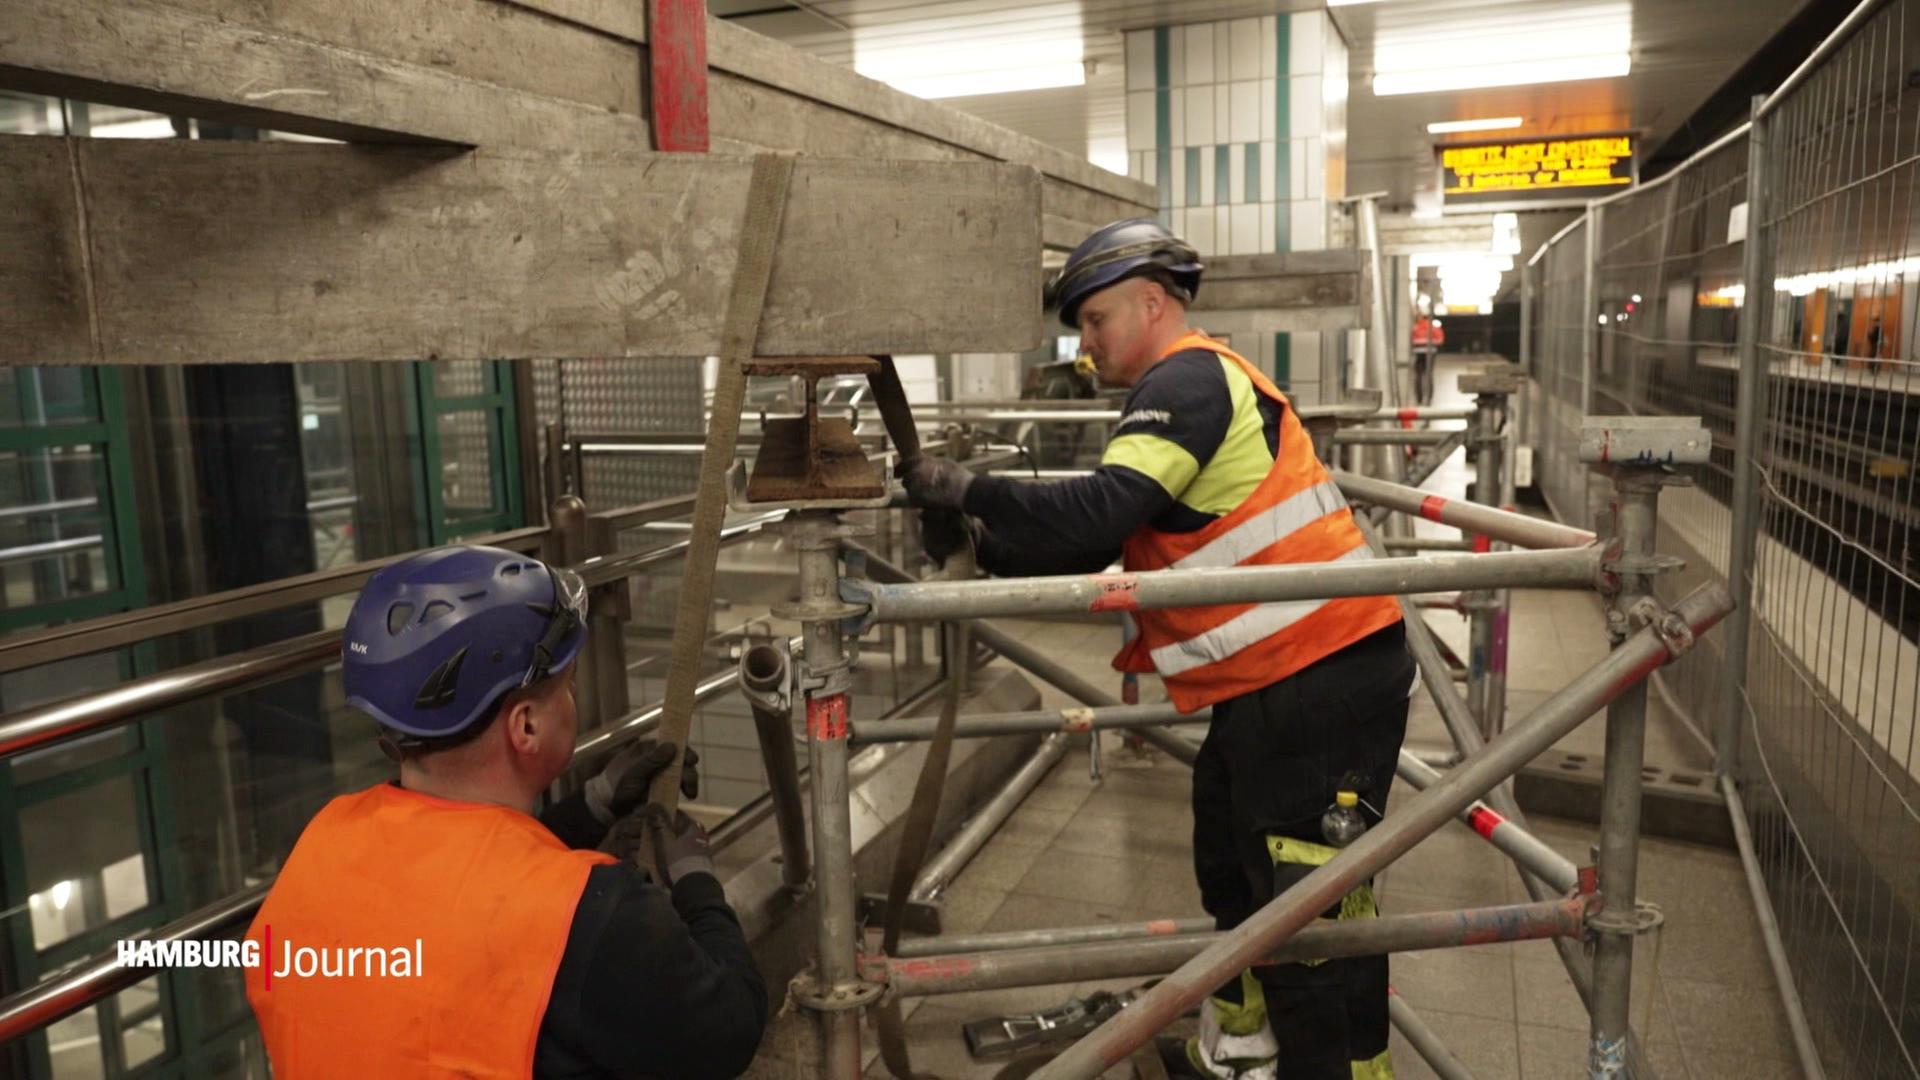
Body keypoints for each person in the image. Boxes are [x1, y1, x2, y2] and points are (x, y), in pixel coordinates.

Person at [901, 218, 1416, 1080]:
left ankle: (1337, 1072)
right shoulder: (1175, 391)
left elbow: (1099, 512)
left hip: (1324, 674)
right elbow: (1099, 541)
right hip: (1278, 681)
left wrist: (971, 487)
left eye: (1096, 320)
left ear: (1151, 302)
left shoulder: (1190, 381)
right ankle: (1246, 1048)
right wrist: (979, 543)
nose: (1086, 343)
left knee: (1307, 911)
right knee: (1233, 870)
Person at [244, 545, 767, 1079]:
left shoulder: (323, 843)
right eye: (566, 685)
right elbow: (729, 1028)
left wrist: (591, 806)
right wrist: (698, 882)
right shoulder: (594, 916)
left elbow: (457, 902)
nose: (572, 696)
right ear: (527, 728)